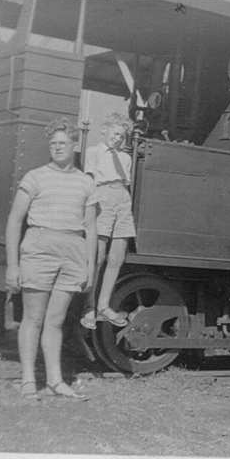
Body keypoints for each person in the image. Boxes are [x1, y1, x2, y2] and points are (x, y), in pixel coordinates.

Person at [5, 117, 98, 401]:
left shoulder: (86, 182)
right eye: (53, 143)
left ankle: (56, 381)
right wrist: (12, 265)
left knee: (55, 322)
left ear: (74, 145)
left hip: (73, 251)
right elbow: (14, 222)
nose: (57, 148)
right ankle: (28, 381)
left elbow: (91, 228)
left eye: (63, 143)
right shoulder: (34, 176)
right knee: (32, 318)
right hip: (38, 249)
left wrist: (89, 269)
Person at [80, 113, 136, 329]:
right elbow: (90, 181)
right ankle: (89, 305)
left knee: (117, 256)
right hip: (102, 196)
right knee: (98, 255)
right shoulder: (93, 152)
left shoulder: (126, 157)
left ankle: (104, 304)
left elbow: (126, 183)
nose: (118, 138)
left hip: (122, 198)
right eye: (115, 133)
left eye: (122, 136)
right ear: (104, 130)